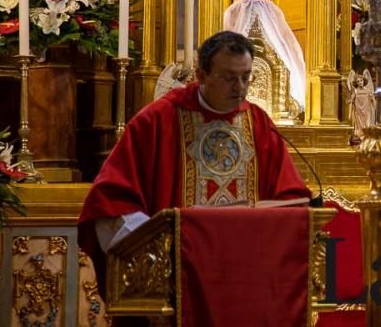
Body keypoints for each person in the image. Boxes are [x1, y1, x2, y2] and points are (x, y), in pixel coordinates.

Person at [78, 31, 312, 288]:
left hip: (246, 269)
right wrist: (158, 244)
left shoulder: (258, 123)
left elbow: (289, 196)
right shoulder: (158, 119)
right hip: (175, 273)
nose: (240, 88)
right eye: (229, 78)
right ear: (201, 76)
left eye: (246, 77)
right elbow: (111, 199)